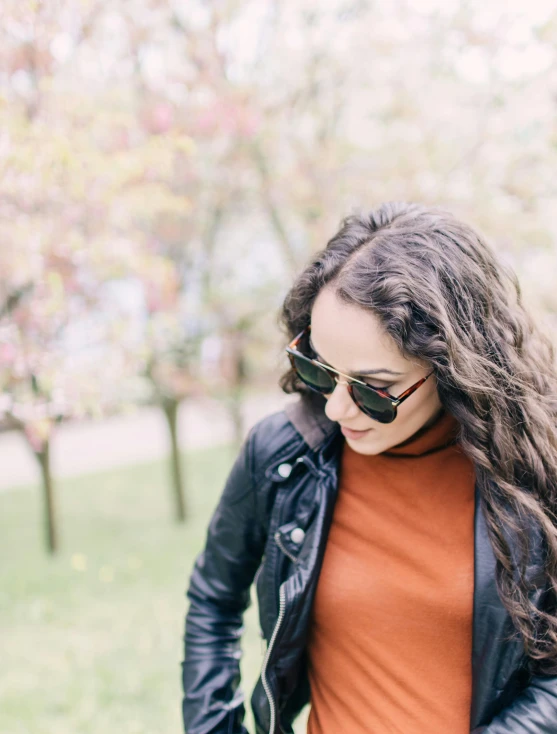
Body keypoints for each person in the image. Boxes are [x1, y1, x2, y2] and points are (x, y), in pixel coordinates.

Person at [181, 202, 557, 734]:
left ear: (454, 367)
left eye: (373, 390)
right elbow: (213, 601)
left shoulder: (536, 469)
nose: (336, 408)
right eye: (319, 366)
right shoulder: (285, 455)